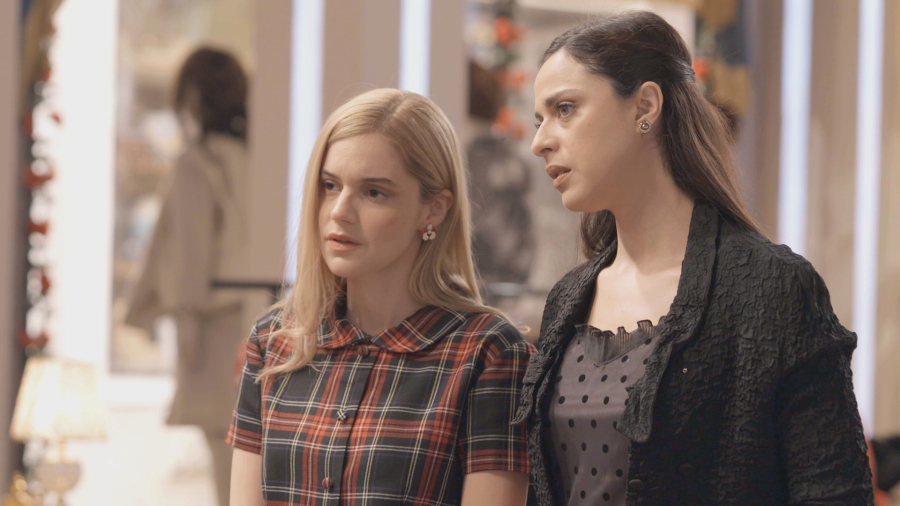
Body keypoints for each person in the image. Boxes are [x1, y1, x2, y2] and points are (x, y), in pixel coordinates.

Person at [512, 11, 874, 506]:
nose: (540, 141)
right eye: (540, 120)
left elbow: (834, 492)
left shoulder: (773, 288)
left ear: (645, 106)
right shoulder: (568, 298)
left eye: (565, 109)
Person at [228, 88, 533, 506]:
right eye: (330, 185)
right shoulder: (273, 341)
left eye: (374, 192)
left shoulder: (488, 353)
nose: (340, 211)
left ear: (434, 209)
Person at [124, 47, 263, 506]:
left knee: (228, 471)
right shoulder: (256, 157)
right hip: (255, 321)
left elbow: (190, 259)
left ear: (192, 96)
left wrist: (185, 330)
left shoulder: (197, 162)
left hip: (212, 331)